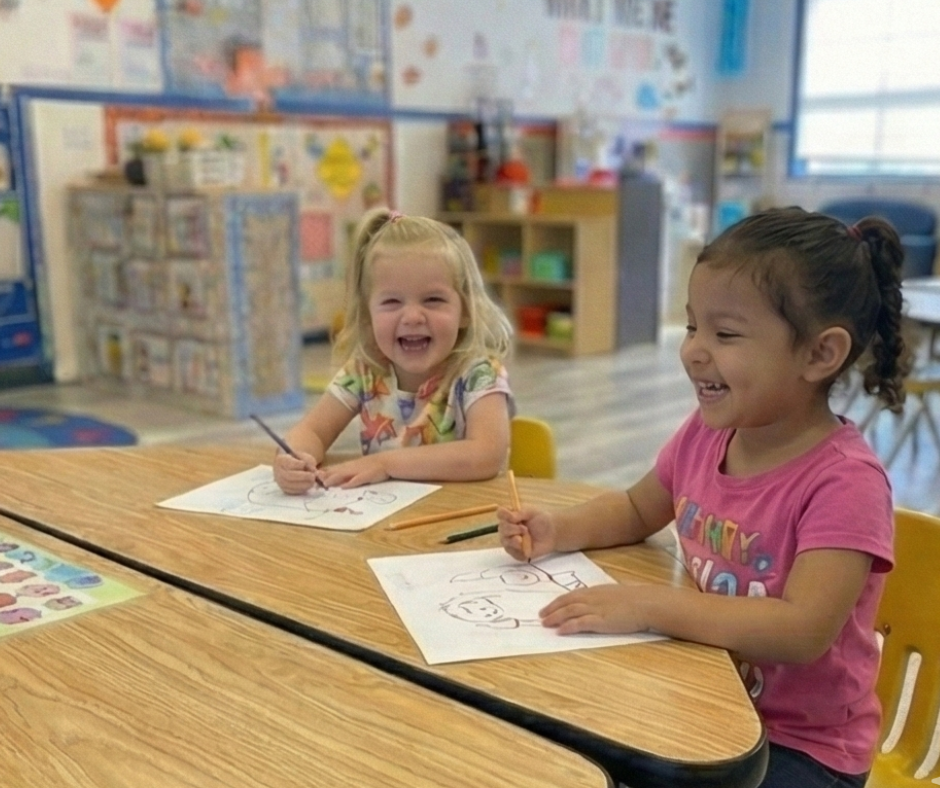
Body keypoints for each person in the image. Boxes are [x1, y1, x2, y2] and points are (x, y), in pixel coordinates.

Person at [498, 207, 908, 787]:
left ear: (820, 354)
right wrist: (557, 530)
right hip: (705, 698)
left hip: (805, 747)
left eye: (726, 334)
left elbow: (801, 631)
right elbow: (640, 507)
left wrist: (647, 605)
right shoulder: (706, 431)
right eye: (693, 327)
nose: (693, 351)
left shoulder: (846, 483)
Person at [274, 207, 514, 491]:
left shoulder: (479, 373)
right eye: (391, 302)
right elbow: (312, 430)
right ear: (367, 315)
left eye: (433, 299)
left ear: (465, 311)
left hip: (459, 520)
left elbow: (486, 455)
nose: (412, 317)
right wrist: (294, 458)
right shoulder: (364, 371)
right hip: (384, 526)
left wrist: (385, 464)